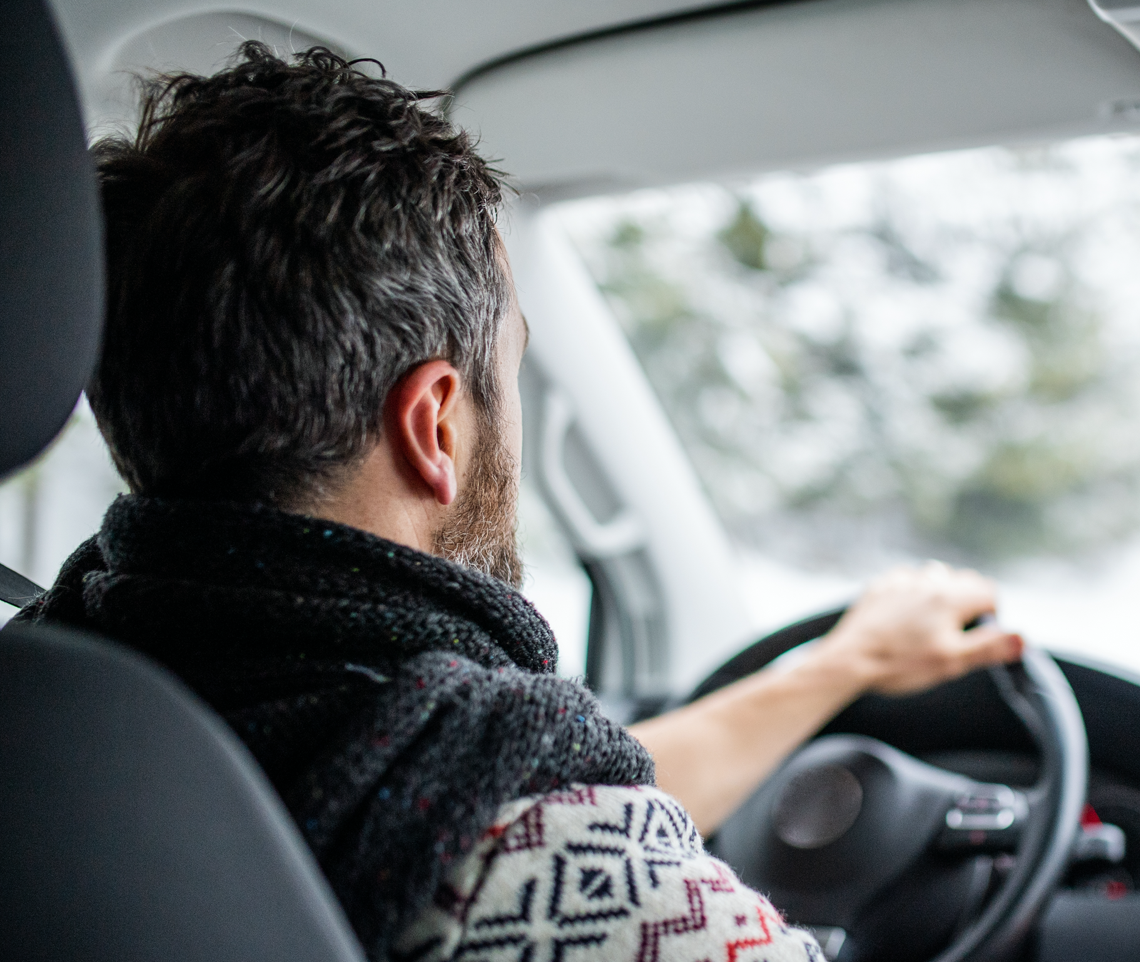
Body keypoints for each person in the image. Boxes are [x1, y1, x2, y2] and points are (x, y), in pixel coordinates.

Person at [17, 43, 1021, 961]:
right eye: (513, 369)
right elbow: (551, 826)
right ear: (437, 426)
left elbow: (480, 780)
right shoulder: (558, 870)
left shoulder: (69, 717)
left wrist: (848, 664)